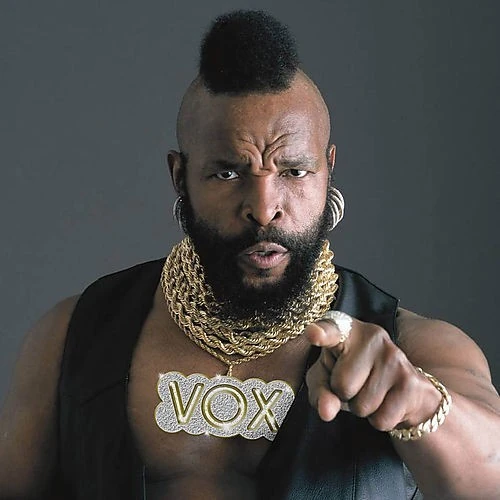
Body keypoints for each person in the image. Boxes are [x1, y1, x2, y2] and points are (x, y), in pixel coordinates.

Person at [1, 9, 499, 500]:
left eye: (294, 171)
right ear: (180, 177)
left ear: (328, 170)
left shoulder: (412, 345)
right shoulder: (72, 333)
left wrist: (418, 402)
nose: (263, 209)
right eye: (227, 173)